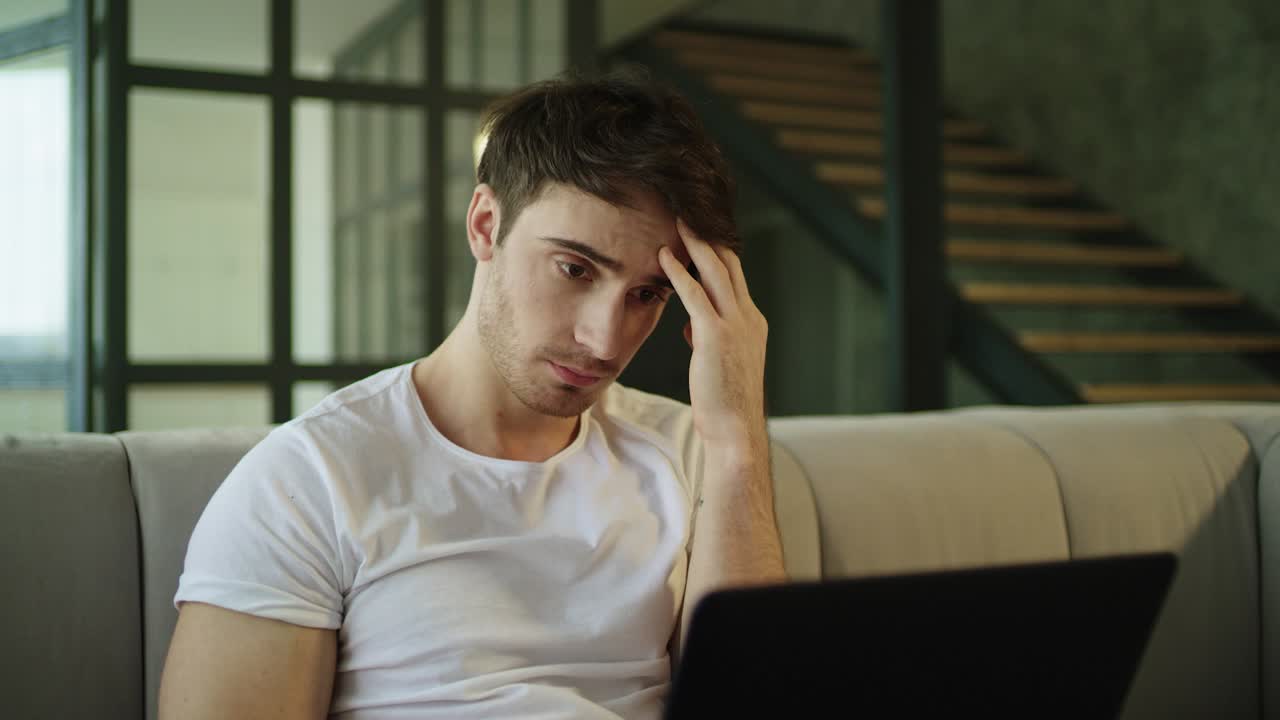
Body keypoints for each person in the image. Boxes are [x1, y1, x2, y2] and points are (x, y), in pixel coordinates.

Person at [157, 68, 786, 719]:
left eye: (647, 294)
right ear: (486, 225)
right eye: (575, 268)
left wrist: (735, 438)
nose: (605, 339)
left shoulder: (690, 453)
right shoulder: (308, 481)